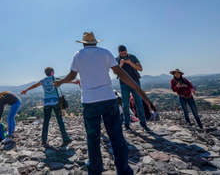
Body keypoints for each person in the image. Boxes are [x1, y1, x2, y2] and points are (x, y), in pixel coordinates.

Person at [55, 32, 156, 175]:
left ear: (83, 43)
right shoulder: (105, 53)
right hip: (109, 99)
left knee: (93, 138)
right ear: (96, 42)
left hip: (89, 102)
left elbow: (72, 76)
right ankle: (123, 170)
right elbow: (121, 74)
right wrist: (139, 90)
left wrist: (60, 82)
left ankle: (95, 170)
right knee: (116, 136)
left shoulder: (78, 55)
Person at [21, 67, 79, 147]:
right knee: (60, 120)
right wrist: (75, 82)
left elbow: (34, 85)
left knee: (46, 121)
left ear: (45, 73)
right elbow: (65, 81)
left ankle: (44, 141)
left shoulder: (43, 81)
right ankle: (65, 139)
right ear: (52, 72)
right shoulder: (55, 78)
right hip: (56, 102)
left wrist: (26, 90)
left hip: (47, 103)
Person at [116, 45, 149, 131]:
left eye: (125, 52)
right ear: (119, 52)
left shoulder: (132, 57)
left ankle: (143, 123)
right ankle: (127, 124)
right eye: (122, 53)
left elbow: (140, 68)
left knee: (138, 102)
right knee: (125, 104)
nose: (124, 54)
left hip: (135, 82)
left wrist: (130, 63)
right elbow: (116, 72)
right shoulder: (116, 59)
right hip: (124, 84)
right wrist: (121, 64)